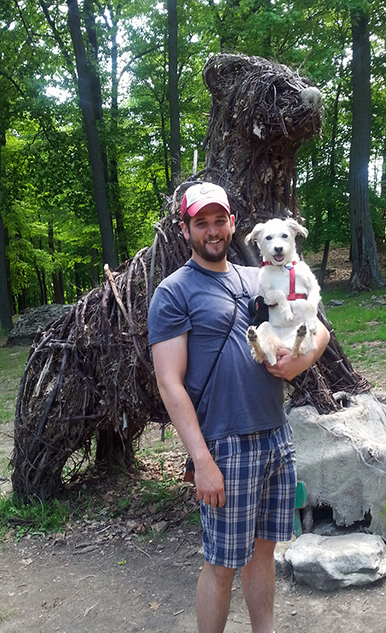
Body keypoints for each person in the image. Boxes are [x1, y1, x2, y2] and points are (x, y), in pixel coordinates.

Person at [147, 182, 330, 633]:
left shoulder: (260, 276)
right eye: (200, 223)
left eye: (218, 220)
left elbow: (319, 327)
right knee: (223, 563)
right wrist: (202, 461)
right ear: (186, 229)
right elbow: (170, 384)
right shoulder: (173, 293)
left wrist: (301, 360)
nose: (212, 231)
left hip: (276, 436)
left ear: (232, 223)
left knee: (265, 550)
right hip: (225, 447)